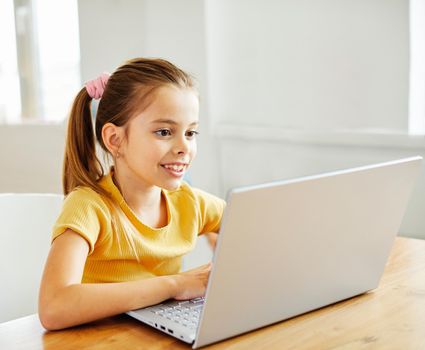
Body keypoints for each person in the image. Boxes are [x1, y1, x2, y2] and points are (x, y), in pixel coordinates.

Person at [38, 58, 226, 331]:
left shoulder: (190, 201)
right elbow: (54, 307)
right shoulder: (89, 207)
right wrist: (176, 284)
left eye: (190, 132)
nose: (184, 146)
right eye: (164, 132)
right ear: (115, 140)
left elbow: (254, 231)